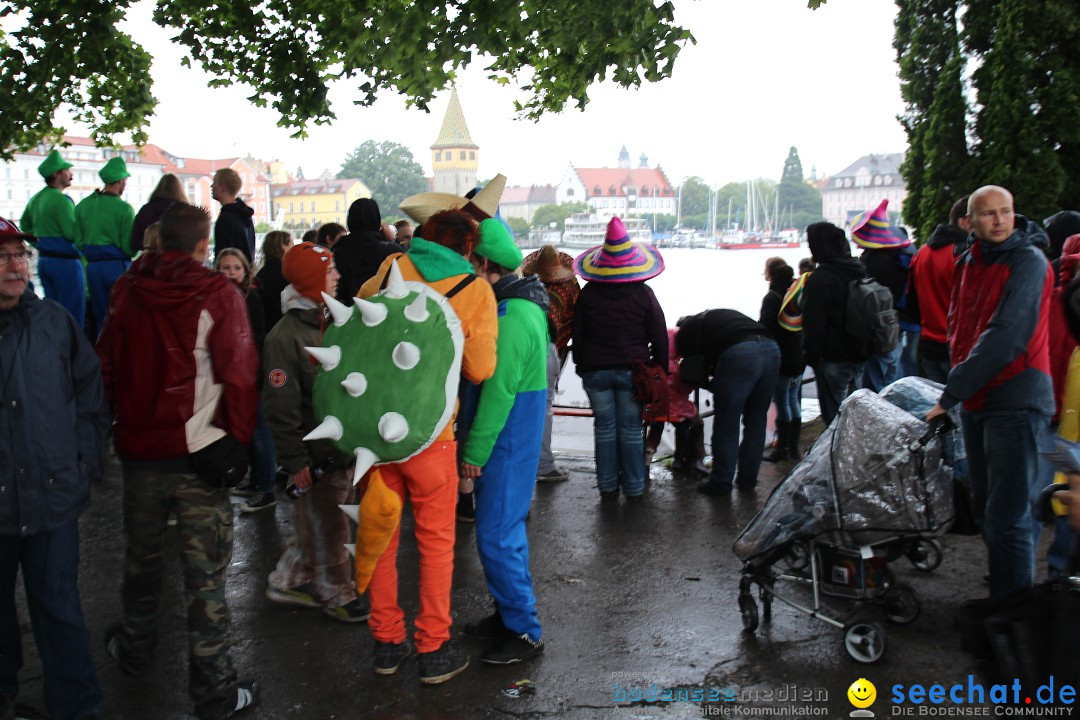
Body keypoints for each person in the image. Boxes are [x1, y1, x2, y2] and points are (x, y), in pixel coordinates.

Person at [96, 202, 260, 719]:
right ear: (200, 245)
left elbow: (107, 364)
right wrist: (237, 441)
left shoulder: (126, 290)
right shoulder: (217, 293)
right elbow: (240, 373)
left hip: (141, 452)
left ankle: (136, 651)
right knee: (205, 579)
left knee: (141, 562)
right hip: (199, 452)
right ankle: (213, 692)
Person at [358, 209, 497, 684]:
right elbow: (480, 369)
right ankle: (433, 649)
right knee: (436, 543)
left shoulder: (386, 270)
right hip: (432, 435)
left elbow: (357, 326)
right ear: (466, 249)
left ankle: (385, 643)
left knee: (380, 534)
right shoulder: (474, 288)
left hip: (376, 432)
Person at [0, 216, 109, 720]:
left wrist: (85, 459)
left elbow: (89, 394)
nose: (15, 265)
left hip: (52, 495)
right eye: (2, 257)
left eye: (20, 255)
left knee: (59, 608)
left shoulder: (54, 321)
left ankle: (77, 708)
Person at [926, 185, 1054, 598]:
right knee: (987, 509)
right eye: (988, 214)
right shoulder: (969, 260)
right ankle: (1005, 594)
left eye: (1006, 212)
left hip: (1015, 399)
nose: (999, 221)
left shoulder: (1028, 262)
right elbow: (960, 326)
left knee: (1008, 515)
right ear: (969, 221)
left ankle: (1014, 616)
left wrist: (950, 393)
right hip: (979, 399)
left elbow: (1007, 336)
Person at [261, 241, 370, 621]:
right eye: (329, 271)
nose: (338, 276)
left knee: (320, 515)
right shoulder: (284, 338)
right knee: (331, 519)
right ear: (311, 282)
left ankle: (288, 578)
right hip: (317, 454)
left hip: (342, 448)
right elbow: (280, 405)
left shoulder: (337, 320)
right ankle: (336, 593)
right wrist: (295, 460)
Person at [460, 219, 549, 664]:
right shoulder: (518, 305)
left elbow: (497, 393)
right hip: (510, 437)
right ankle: (507, 614)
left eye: (470, 263)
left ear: (485, 264)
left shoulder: (512, 316)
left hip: (506, 442)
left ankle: (525, 631)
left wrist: (474, 453)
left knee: (497, 535)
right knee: (499, 532)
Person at [572, 216, 667, 501]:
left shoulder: (588, 295)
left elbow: (579, 334)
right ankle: (635, 488)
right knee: (630, 430)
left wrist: (581, 365)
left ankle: (608, 487)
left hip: (595, 372)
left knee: (604, 429)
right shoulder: (644, 294)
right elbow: (659, 335)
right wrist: (660, 368)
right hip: (633, 371)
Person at [677, 309, 779, 495]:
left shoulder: (684, 333)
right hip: (771, 349)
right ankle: (747, 480)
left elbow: (690, 365)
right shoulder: (715, 320)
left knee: (727, 422)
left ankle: (721, 482)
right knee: (756, 421)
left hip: (741, 352)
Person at [215, 249, 276, 514]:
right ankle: (256, 481)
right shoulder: (219, 297)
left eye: (235, 268)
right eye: (225, 268)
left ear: (245, 270)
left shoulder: (251, 298)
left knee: (259, 430)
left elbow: (258, 337)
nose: (230, 273)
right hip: (234, 373)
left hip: (251, 373)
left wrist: (257, 372)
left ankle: (266, 488)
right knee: (248, 431)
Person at [521, 245, 580, 483]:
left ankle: (527, 462)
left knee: (523, 406)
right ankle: (544, 464)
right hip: (551, 350)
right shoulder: (570, 287)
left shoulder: (527, 286)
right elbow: (574, 319)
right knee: (544, 407)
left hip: (525, 347)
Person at [802, 221, 869, 426]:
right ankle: (857, 454)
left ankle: (839, 456)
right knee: (856, 413)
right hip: (859, 350)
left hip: (832, 356)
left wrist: (813, 357)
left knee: (834, 420)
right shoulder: (858, 269)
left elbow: (814, 323)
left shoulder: (820, 279)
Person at [849, 199, 914, 392]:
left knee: (873, 379)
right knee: (893, 372)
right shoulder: (899, 256)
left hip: (877, 327)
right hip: (899, 320)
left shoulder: (873, 260)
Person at [19, 149, 85, 327]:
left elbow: (24, 226)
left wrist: (40, 243)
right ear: (57, 174)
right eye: (67, 170)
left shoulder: (36, 199)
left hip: (45, 261)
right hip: (67, 264)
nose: (71, 174)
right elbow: (72, 234)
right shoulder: (62, 200)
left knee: (52, 314)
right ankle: (74, 352)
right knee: (72, 316)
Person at [908, 196, 969, 384]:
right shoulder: (965, 255)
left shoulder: (922, 253)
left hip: (928, 344)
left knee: (936, 405)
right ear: (964, 221)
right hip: (957, 346)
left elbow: (911, 300)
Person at [76, 157, 136, 333]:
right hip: (117, 267)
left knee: (101, 316)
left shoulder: (83, 205)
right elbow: (129, 248)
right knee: (122, 315)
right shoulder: (124, 209)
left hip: (92, 269)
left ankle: (101, 355)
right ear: (120, 181)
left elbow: (78, 241)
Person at [759, 260, 804, 462]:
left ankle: (781, 449)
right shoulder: (796, 291)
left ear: (770, 273)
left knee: (781, 401)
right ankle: (793, 447)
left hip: (782, 355)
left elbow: (766, 327)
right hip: (798, 352)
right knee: (793, 399)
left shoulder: (772, 297)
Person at [333, 198, 404, 303]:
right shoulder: (392, 251)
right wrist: (394, 240)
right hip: (386, 313)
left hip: (348, 314)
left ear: (349, 222)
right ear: (377, 221)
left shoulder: (336, 254)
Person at [132, 174, 186, 253]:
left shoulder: (145, 210)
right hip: (178, 261)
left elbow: (135, 242)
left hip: (151, 260)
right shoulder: (184, 211)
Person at [211, 168, 256, 263]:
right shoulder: (245, 214)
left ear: (223, 188)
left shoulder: (225, 219)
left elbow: (222, 256)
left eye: (214, 183)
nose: (211, 186)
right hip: (245, 272)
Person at [254, 231, 291, 330]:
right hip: (282, 326)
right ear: (282, 246)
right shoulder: (286, 272)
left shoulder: (261, 273)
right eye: (291, 243)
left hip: (266, 325)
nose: (294, 247)